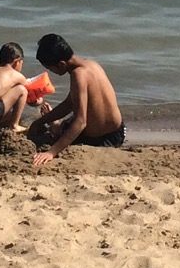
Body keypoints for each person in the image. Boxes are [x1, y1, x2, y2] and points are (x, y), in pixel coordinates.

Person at [28, 33, 124, 169]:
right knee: (67, 122)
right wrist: (41, 121)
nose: (51, 72)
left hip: (99, 140)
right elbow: (69, 103)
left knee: (65, 130)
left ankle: (56, 127)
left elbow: (81, 122)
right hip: (118, 132)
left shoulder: (78, 75)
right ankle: (55, 124)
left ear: (61, 64)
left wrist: (51, 152)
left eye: (50, 68)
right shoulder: (91, 64)